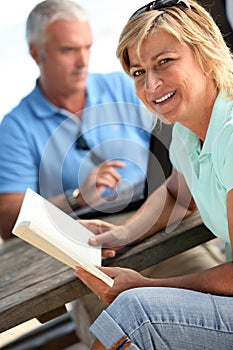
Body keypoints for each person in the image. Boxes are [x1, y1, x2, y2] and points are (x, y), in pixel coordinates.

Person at [75, 0, 233, 349]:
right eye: (138, 72)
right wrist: (124, 233)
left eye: (165, 62)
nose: (152, 84)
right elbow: (179, 193)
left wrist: (145, 285)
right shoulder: (189, 132)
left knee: (135, 313)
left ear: (205, 52)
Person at [0, 0, 152, 241]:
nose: (83, 62)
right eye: (69, 50)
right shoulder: (15, 128)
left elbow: (176, 146)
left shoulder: (123, 86)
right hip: (85, 246)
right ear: (36, 53)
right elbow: (8, 220)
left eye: (87, 47)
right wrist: (76, 199)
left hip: (155, 221)